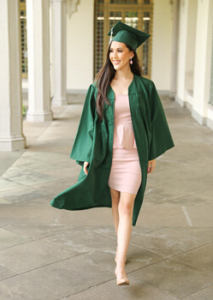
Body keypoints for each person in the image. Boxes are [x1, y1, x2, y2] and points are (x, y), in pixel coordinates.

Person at [50, 21, 175, 286]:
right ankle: (122, 249)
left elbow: (154, 122)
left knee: (127, 204)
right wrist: (85, 156)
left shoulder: (146, 87)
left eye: (120, 51)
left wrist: (151, 154)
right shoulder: (99, 86)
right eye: (111, 51)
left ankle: (120, 266)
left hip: (133, 155)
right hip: (108, 155)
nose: (114, 56)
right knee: (116, 203)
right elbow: (87, 124)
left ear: (132, 54)